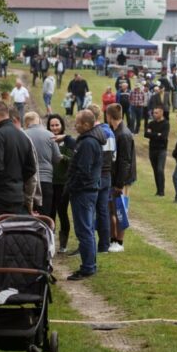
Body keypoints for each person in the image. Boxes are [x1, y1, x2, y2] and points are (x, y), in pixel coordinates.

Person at [0, 101, 37, 228]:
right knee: (11, 240)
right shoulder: (23, 137)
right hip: (17, 198)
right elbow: (31, 169)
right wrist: (17, 180)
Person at [64, 109, 104, 280]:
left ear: (87, 125)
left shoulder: (88, 143)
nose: (75, 125)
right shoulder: (89, 140)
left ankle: (88, 267)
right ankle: (90, 264)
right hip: (87, 190)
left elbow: (83, 171)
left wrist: (72, 187)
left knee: (84, 230)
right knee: (86, 229)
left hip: (83, 192)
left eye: (78, 122)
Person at [108, 104, 136, 252]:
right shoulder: (115, 131)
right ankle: (112, 239)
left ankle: (119, 242)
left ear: (109, 116)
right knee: (112, 210)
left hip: (122, 180)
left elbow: (125, 161)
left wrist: (119, 184)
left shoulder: (123, 134)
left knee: (120, 210)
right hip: (115, 177)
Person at [89, 104, 116, 254]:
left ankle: (88, 245)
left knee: (90, 211)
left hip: (96, 175)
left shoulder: (94, 133)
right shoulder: (110, 133)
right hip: (107, 175)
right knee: (103, 211)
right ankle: (104, 245)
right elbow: (114, 156)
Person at [24, 112, 61, 217]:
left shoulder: (23, 134)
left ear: (26, 123)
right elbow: (57, 158)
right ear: (39, 120)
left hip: (28, 181)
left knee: (29, 215)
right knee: (45, 215)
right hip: (46, 180)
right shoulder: (49, 135)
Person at [47, 114, 75, 253]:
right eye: (52, 125)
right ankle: (49, 242)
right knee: (49, 212)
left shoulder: (68, 142)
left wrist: (62, 157)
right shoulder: (47, 139)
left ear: (62, 125)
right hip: (49, 182)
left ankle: (63, 244)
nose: (55, 128)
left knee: (62, 212)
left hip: (63, 183)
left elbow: (73, 160)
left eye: (57, 125)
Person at [145, 106, 169, 197]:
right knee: (155, 170)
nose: (154, 114)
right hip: (152, 149)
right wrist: (157, 134)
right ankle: (158, 190)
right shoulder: (151, 123)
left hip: (161, 150)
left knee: (160, 169)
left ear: (161, 113)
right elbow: (146, 134)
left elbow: (163, 136)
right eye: (154, 113)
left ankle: (162, 191)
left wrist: (153, 134)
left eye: (156, 113)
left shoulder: (166, 124)